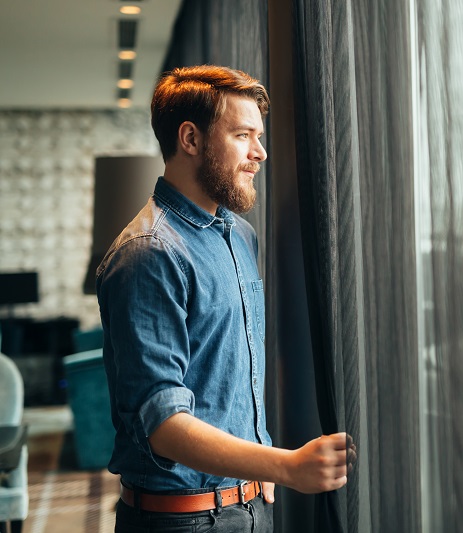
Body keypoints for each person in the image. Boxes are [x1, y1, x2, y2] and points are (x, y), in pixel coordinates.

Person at [96, 65, 353, 532]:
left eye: (259, 136)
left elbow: (231, 376)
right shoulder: (148, 254)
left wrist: (257, 471)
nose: (261, 152)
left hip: (250, 508)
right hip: (182, 522)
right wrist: (284, 465)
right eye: (243, 135)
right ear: (190, 139)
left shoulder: (240, 236)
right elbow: (164, 425)